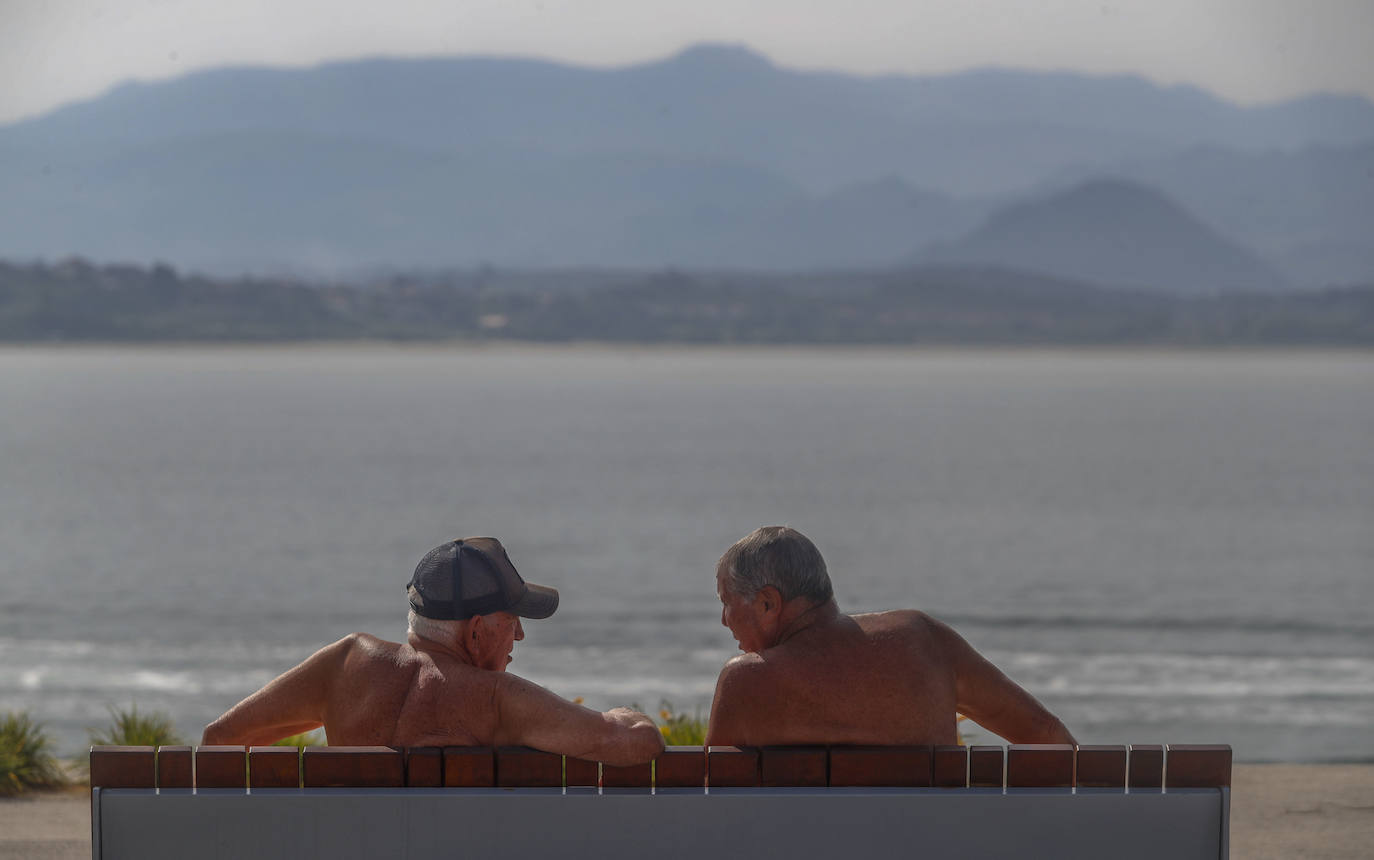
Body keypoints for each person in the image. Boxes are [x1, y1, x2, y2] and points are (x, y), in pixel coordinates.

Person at [203, 537, 664, 766]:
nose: (520, 635)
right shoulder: (495, 698)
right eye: (512, 620)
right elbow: (630, 744)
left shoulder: (343, 663)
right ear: (477, 631)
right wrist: (631, 714)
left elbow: (220, 739)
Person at [705, 526, 1076, 747]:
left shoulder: (748, 682)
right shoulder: (924, 640)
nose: (724, 620)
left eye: (727, 602)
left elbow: (710, 805)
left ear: (769, 603)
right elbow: (1045, 733)